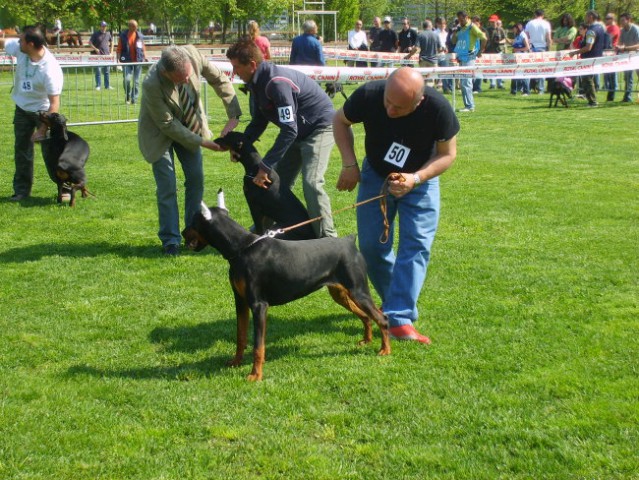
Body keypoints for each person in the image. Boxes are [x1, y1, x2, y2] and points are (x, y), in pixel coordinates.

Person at [333, 67, 459, 344]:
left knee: (415, 245)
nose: (390, 110)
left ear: (419, 101)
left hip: (420, 178)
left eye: (399, 107)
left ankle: (398, 318)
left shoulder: (438, 109)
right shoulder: (369, 94)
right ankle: (394, 306)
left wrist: (415, 178)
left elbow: (448, 154)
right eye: (388, 102)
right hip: (375, 175)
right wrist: (350, 164)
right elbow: (339, 120)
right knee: (371, 247)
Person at [226, 39, 337, 238]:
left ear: (252, 65)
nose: (234, 73)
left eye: (236, 67)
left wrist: (265, 166)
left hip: (320, 127)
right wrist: (241, 146)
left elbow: (289, 131)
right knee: (273, 182)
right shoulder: (256, 82)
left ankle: (328, 239)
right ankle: (262, 231)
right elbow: (259, 122)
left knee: (312, 182)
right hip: (297, 131)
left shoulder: (276, 83)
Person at [138, 45, 242, 255]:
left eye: (189, 76)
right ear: (166, 73)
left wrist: (234, 115)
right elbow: (168, 125)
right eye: (180, 79)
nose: (187, 81)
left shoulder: (193, 56)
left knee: (196, 179)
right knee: (167, 185)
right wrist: (203, 142)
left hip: (189, 124)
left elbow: (219, 79)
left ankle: (194, 232)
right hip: (160, 133)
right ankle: (171, 240)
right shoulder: (151, 84)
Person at [5, 26, 64, 202]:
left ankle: (65, 187)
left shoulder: (50, 69)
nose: (18, 42)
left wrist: (43, 128)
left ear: (30, 44)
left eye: (21, 39)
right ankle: (22, 191)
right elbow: (3, 42)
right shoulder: (20, 49)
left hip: (43, 111)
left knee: (52, 152)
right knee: (21, 150)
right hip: (22, 109)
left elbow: (54, 104)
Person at [569, 10, 606, 107]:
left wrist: (575, 52)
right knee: (589, 80)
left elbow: (588, 47)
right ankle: (592, 100)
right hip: (597, 56)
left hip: (589, 58)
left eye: (586, 16)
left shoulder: (591, 30)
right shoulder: (600, 28)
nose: (585, 18)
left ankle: (592, 101)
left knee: (587, 80)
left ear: (591, 17)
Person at [452, 10, 486, 112]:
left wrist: (480, 51)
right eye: (459, 20)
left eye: (461, 19)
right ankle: (468, 105)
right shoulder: (461, 28)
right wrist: (455, 31)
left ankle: (470, 106)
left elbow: (484, 38)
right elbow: (453, 41)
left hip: (469, 58)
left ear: (466, 17)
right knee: (463, 83)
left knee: (466, 83)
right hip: (462, 58)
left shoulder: (472, 27)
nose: (460, 21)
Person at [117, 19, 146, 104]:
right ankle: (127, 95)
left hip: (138, 61)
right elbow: (119, 49)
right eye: (134, 26)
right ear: (129, 26)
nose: (136, 27)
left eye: (136, 26)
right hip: (127, 61)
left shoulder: (139, 36)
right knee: (127, 80)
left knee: (136, 81)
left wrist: (145, 57)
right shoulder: (123, 36)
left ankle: (134, 99)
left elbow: (143, 47)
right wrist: (118, 60)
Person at [525, 9, 553, 94]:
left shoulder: (530, 23)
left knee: (530, 69)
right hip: (542, 47)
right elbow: (548, 38)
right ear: (543, 15)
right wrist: (549, 49)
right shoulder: (546, 23)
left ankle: (528, 88)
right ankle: (541, 89)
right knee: (542, 69)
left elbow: (526, 36)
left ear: (535, 14)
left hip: (532, 47)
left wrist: (528, 47)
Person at [405, 20, 439, 85]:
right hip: (434, 61)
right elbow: (440, 48)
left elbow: (416, 48)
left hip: (423, 61)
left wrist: (409, 55)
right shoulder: (436, 35)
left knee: (423, 80)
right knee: (431, 80)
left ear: (423, 26)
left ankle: (424, 93)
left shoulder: (420, 35)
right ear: (430, 26)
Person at [616, 13, 639, 102]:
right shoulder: (622, 31)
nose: (621, 22)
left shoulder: (636, 29)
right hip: (628, 57)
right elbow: (621, 43)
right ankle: (627, 97)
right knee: (628, 77)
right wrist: (619, 47)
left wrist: (625, 48)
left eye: (623, 20)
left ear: (628, 20)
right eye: (620, 20)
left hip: (637, 56)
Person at [89, 21, 113, 91]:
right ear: (100, 26)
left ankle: (107, 85)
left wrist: (111, 52)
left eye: (105, 26)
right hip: (98, 56)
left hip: (106, 55)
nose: (104, 27)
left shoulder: (108, 34)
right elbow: (90, 43)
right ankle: (98, 85)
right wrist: (95, 49)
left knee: (107, 71)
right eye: (102, 26)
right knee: (98, 71)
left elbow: (112, 42)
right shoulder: (95, 34)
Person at [509, 22, 531, 96]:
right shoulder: (517, 36)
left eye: (514, 29)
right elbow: (514, 44)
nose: (513, 30)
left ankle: (526, 91)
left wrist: (518, 49)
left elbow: (527, 47)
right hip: (516, 57)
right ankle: (513, 91)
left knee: (523, 74)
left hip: (522, 57)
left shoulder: (523, 35)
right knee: (514, 73)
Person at [485, 15, 506, 89]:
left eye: (494, 21)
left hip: (498, 50)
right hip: (489, 50)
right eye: (491, 22)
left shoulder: (500, 30)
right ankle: (492, 83)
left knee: (499, 68)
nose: (492, 23)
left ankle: (500, 84)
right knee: (491, 68)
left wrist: (499, 42)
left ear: (497, 21)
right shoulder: (487, 30)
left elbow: (505, 39)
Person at [604, 13, 621, 101]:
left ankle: (612, 95)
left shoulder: (614, 28)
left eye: (608, 18)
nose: (606, 20)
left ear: (613, 19)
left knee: (612, 75)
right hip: (607, 52)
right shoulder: (607, 27)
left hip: (613, 52)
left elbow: (610, 37)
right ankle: (609, 94)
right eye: (606, 18)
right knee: (608, 75)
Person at [434, 17, 452, 93]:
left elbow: (448, 44)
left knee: (445, 72)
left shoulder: (447, 34)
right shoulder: (434, 33)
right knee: (434, 72)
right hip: (435, 55)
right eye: (441, 23)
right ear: (437, 24)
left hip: (444, 55)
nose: (443, 25)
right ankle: (433, 88)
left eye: (444, 23)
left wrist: (447, 48)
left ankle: (446, 88)